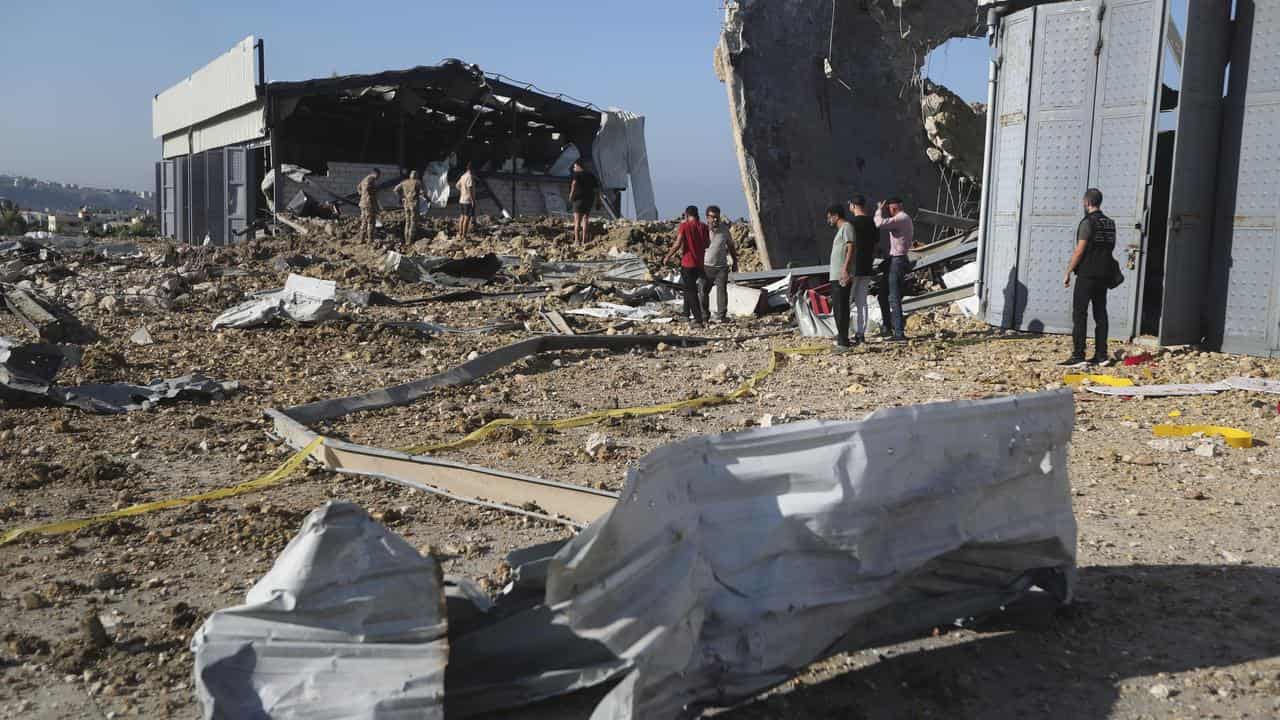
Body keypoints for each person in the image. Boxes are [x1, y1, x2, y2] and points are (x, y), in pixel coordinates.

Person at [1061, 187, 1117, 367]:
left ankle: (1078, 355)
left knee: (1080, 314)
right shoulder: (1110, 223)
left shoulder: (1087, 223)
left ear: (1087, 202)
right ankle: (1101, 354)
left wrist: (1069, 270)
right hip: (1104, 274)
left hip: (1087, 274)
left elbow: (1080, 250)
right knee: (1101, 313)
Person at [874, 196, 914, 341]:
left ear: (894, 207)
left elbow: (879, 223)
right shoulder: (903, 218)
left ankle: (899, 332)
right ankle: (888, 327)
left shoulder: (901, 218)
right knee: (883, 294)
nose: (888, 211)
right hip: (894, 260)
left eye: (889, 208)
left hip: (898, 260)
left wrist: (878, 210)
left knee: (894, 297)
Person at [663, 206, 710, 327]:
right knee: (688, 289)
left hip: (688, 263)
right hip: (699, 264)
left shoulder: (684, 226)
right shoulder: (703, 226)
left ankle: (698, 320)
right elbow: (707, 244)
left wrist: (668, 256)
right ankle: (685, 314)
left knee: (691, 291)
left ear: (686, 214)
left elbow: (678, 243)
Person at [847, 195, 878, 344]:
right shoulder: (872, 222)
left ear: (852, 205)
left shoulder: (851, 223)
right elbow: (876, 242)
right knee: (862, 302)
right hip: (867, 265)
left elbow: (848, 246)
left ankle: (844, 333)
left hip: (852, 267)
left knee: (846, 300)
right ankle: (861, 334)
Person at [701, 205, 739, 323]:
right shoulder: (702, 230)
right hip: (706, 266)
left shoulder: (724, 230)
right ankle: (704, 316)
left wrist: (735, 262)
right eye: (712, 217)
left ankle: (722, 316)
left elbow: (731, 247)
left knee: (721, 291)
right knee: (703, 291)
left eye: (717, 217)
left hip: (721, 267)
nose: (715, 220)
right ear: (707, 218)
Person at [826, 204, 856, 351]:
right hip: (836, 275)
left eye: (829, 217)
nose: (829, 220)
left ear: (836, 215)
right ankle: (842, 338)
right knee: (838, 308)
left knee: (841, 308)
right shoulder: (840, 231)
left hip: (841, 275)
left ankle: (843, 342)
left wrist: (845, 269)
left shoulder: (847, 227)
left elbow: (851, 247)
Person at [569, 159, 599, 245]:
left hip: (578, 199)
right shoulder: (591, 175)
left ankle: (577, 241)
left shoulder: (576, 175)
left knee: (577, 221)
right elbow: (597, 190)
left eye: (574, 166)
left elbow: (574, 184)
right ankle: (584, 241)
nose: (574, 168)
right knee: (585, 219)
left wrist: (571, 196)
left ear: (578, 166)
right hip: (589, 199)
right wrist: (598, 201)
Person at [394, 170, 424, 245]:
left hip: (406, 204)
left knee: (407, 222)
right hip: (414, 204)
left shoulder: (404, 182)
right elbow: (422, 192)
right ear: (416, 176)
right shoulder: (417, 182)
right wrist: (428, 199)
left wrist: (402, 197)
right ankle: (410, 241)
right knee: (413, 222)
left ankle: (406, 239)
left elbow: (395, 189)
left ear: (410, 175)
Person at [356, 167, 381, 244]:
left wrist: (363, 195)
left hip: (362, 203)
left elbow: (358, 187)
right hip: (369, 204)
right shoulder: (371, 179)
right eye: (378, 175)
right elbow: (368, 188)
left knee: (364, 222)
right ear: (375, 173)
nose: (378, 177)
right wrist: (370, 194)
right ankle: (370, 240)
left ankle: (361, 239)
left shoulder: (365, 178)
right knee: (371, 222)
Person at [456, 162, 476, 243]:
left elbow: (457, 185)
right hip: (468, 200)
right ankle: (464, 236)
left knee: (462, 216)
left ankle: (460, 233)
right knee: (467, 218)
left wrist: (462, 191)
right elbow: (470, 189)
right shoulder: (470, 177)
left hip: (461, 199)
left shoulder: (463, 176)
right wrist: (473, 200)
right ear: (472, 169)